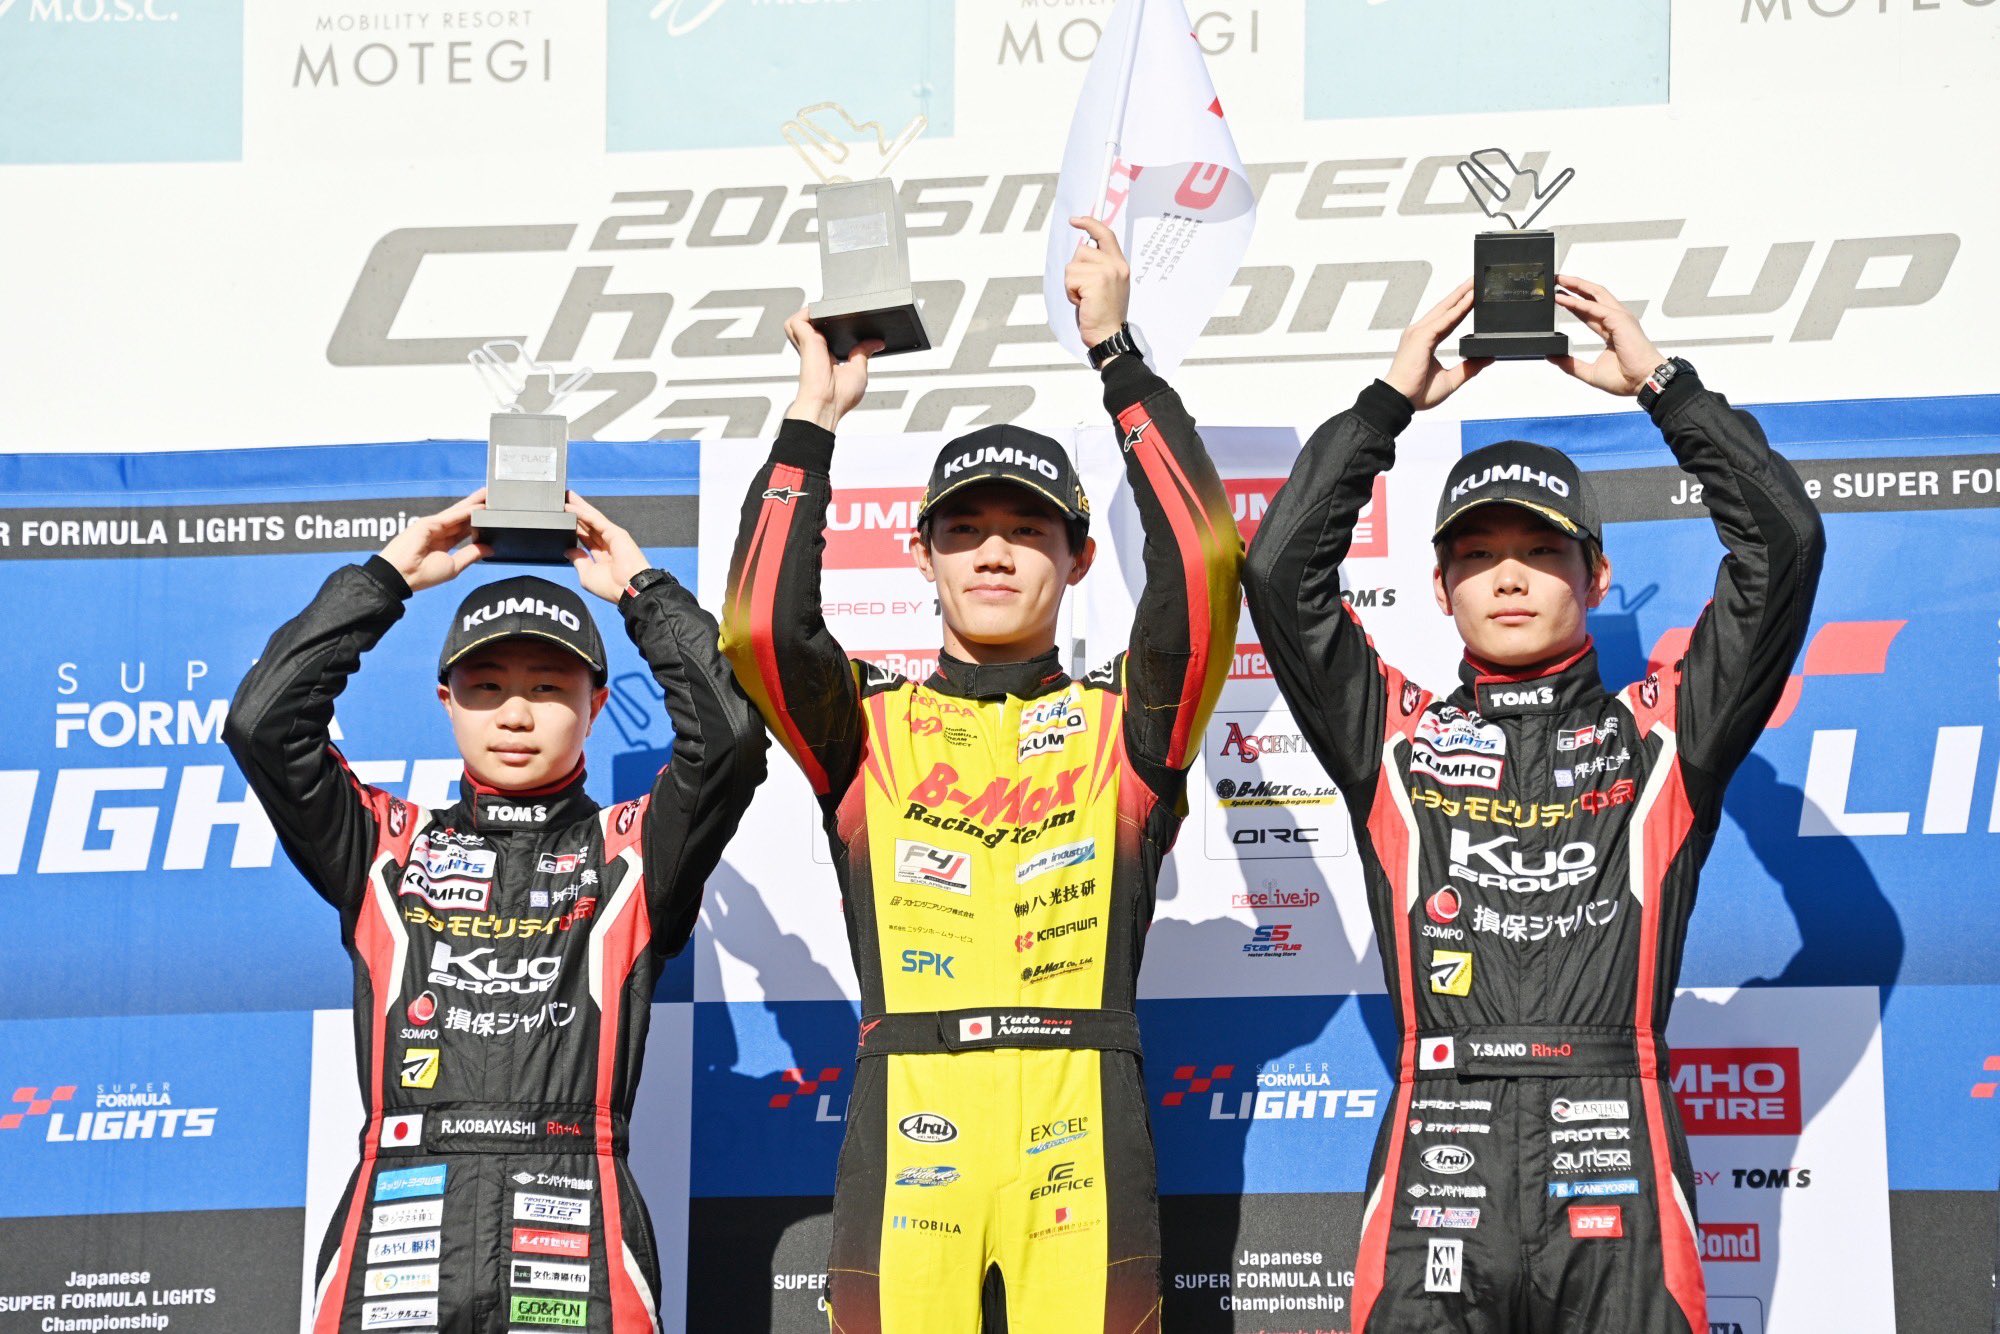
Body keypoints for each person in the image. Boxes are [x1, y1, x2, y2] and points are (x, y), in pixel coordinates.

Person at [1242, 277, 1824, 1333]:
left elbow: (1779, 546)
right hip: (1436, 1134)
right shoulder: (1394, 737)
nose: (1507, 578)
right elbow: (1281, 575)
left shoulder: (1662, 733)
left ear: (1595, 577)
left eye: (1541, 551)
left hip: (1618, 1136)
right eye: (1476, 555)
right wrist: (1385, 406)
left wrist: (1663, 387)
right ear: (1439, 588)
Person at [720, 217, 1241, 1333]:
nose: (995, 552)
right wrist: (813, 420)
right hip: (909, 1123)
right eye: (964, 529)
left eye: (1027, 529)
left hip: (1083, 1126)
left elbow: (1203, 563)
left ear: (1078, 557)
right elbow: (759, 627)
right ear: (921, 555)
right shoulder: (866, 726)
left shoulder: (1128, 727)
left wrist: (1117, 357)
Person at [226, 490, 766, 1334]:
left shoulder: (631, 852)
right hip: (396, 1221)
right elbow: (264, 725)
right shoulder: (385, 846)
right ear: (446, 702)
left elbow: (728, 737)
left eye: (547, 687)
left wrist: (644, 591)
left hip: (578, 1225)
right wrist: (386, 579)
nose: (515, 714)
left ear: (595, 703)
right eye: (486, 687)